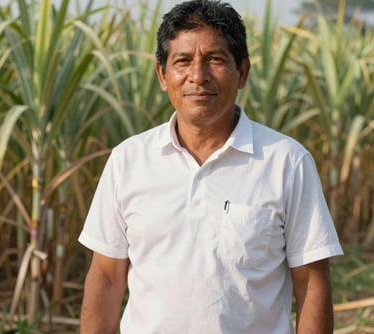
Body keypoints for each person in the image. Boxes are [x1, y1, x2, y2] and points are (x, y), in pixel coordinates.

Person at [78, 0, 343, 333]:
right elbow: (105, 276)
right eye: (183, 61)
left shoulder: (286, 162)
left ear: (242, 72)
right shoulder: (128, 161)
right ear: (162, 75)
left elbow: (312, 282)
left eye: (215, 60)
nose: (197, 77)